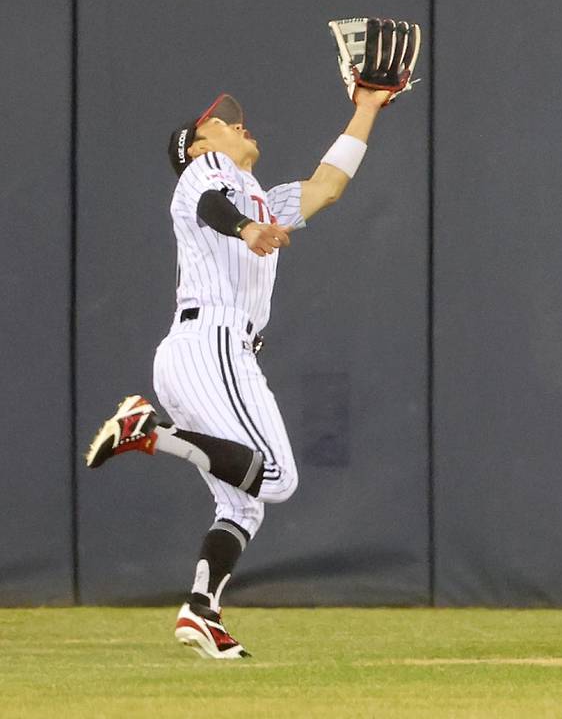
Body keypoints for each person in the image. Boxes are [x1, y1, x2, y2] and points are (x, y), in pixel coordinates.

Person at [86, 86, 392, 659]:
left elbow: (327, 187)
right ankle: (147, 432)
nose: (236, 125)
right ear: (200, 145)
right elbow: (212, 207)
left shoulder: (260, 198)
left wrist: (367, 108)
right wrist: (247, 231)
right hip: (213, 343)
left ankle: (201, 611)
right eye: (220, 125)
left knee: (243, 503)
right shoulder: (205, 173)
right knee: (276, 480)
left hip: (214, 351)